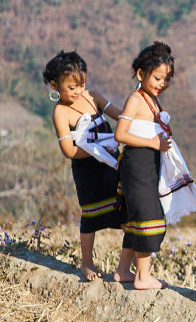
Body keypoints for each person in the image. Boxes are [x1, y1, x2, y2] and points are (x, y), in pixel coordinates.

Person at [44, 51, 135, 282]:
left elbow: (120, 116)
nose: (77, 92)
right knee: (91, 215)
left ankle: (131, 264)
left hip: (112, 165)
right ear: (55, 85)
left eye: (81, 84)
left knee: (125, 211)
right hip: (87, 171)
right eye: (71, 87)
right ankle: (87, 263)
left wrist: (138, 117)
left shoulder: (93, 97)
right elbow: (68, 150)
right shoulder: (60, 112)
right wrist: (96, 149)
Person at [113, 41, 178, 290]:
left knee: (136, 217)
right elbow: (121, 134)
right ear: (141, 74)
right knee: (148, 216)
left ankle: (123, 270)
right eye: (158, 78)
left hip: (147, 167)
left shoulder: (151, 99)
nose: (162, 84)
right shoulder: (136, 100)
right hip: (137, 166)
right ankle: (142, 276)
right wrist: (153, 142)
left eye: (167, 79)